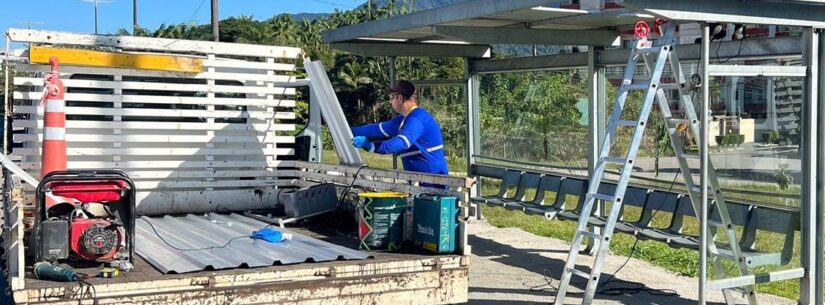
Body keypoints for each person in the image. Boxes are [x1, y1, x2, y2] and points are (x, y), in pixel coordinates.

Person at [350, 80, 449, 180]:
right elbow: (376, 129)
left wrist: (371, 146)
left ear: (400, 98)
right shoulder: (404, 119)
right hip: (419, 181)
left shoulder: (417, 119)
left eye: (392, 97)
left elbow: (401, 143)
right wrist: (349, 130)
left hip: (433, 184)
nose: (390, 101)